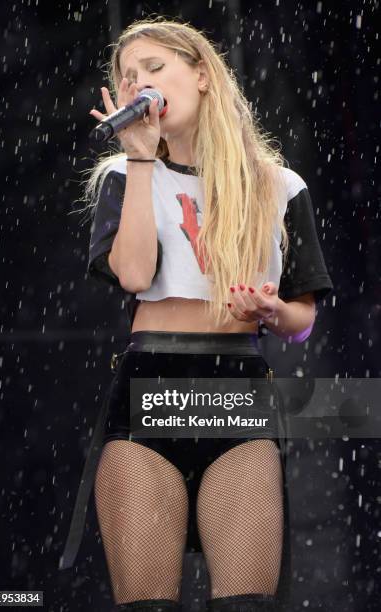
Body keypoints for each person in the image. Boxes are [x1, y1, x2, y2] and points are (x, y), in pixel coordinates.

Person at [59, 17, 333, 612]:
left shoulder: (277, 185)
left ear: (203, 75)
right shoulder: (120, 176)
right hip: (150, 388)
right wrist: (136, 161)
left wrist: (270, 309)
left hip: (237, 388)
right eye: (127, 78)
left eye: (155, 69)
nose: (139, 85)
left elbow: (303, 319)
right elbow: (133, 276)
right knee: (148, 603)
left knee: (246, 603)